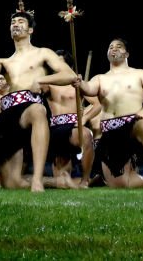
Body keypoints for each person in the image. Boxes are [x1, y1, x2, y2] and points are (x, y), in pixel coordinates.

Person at [0, 8, 76, 192]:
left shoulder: (43, 53)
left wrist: (41, 80)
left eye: (20, 22)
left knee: (37, 110)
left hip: (30, 105)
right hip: (8, 113)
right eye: (13, 22)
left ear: (30, 30)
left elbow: (69, 75)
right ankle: (57, 182)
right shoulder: (6, 62)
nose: (15, 24)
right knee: (11, 184)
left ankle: (37, 180)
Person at [76, 39, 143, 189]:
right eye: (110, 47)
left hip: (132, 125)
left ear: (126, 53)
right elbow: (88, 89)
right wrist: (80, 83)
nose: (114, 49)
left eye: (118, 47)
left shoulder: (139, 74)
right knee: (120, 184)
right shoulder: (100, 78)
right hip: (109, 133)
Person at [43, 50, 98, 188]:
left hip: (74, 127)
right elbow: (35, 86)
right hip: (56, 129)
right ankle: (58, 182)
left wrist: (85, 118)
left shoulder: (77, 85)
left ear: (69, 66)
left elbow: (98, 104)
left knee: (86, 135)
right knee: (61, 179)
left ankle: (85, 180)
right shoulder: (50, 83)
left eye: (60, 62)